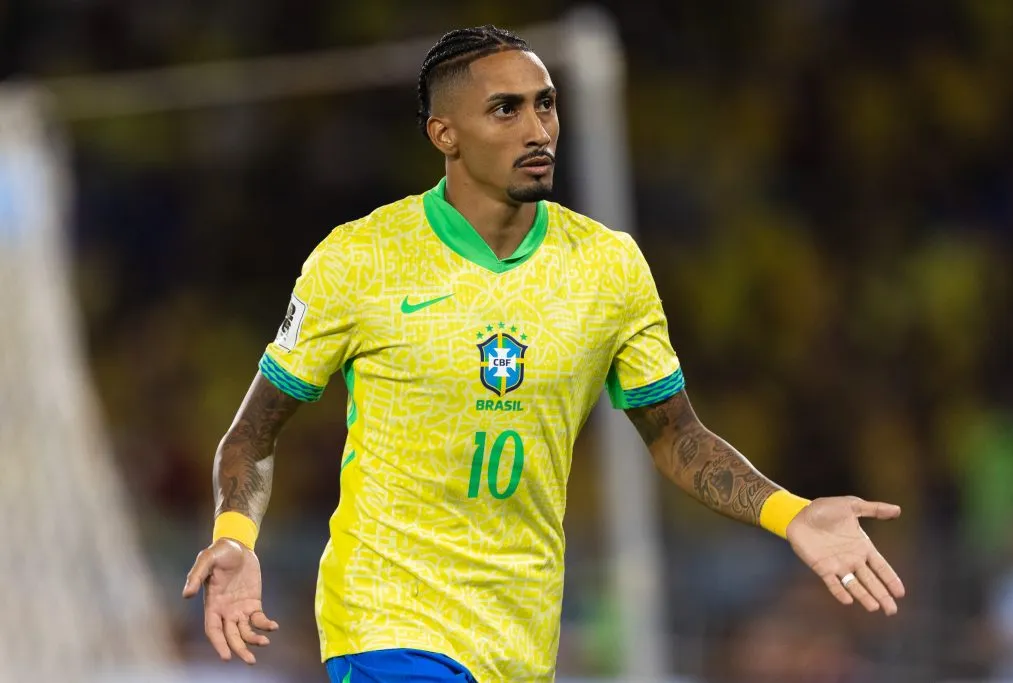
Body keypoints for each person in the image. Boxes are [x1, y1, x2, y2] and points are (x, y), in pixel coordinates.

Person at [182, 25, 906, 683]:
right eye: (507, 109)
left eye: (546, 105)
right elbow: (255, 432)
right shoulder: (360, 260)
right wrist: (237, 538)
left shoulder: (607, 267)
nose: (538, 129)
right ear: (446, 133)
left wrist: (791, 514)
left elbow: (676, 435)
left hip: (521, 636)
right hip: (386, 619)